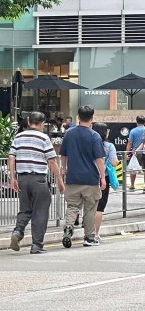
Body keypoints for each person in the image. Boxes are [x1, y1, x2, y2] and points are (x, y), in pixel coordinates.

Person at [8, 112, 64, 254]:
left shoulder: (18, 137)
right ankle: (37, 245)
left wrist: (13, 178)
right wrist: (60, 180)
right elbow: (52, 160)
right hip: (39, 179)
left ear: (28, 122)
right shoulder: (44, 138)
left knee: (25, 209)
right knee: (40, 211)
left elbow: (11, 158)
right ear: (41, 123)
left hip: (22, 179)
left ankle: (18, 232)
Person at [59, 104, 106, 248]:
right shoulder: (94, 136)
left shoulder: (69, 133)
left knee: (72, 206)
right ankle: (89, 237)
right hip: (90, 178)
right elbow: (99, 159)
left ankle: (68, 227)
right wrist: (103, 177)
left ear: (78, 117)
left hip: (73, 177)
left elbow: (63, 154)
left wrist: (65, 169)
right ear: (92, 118)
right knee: (90, 208)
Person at [125, 115, 145, 191]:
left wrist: (127, 153)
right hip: (143, 152)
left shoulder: (133, 131)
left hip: (134, 152)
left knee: (133, 169)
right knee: (144, 169)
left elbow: (130, 143)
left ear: (136, 122)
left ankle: (132, 185)